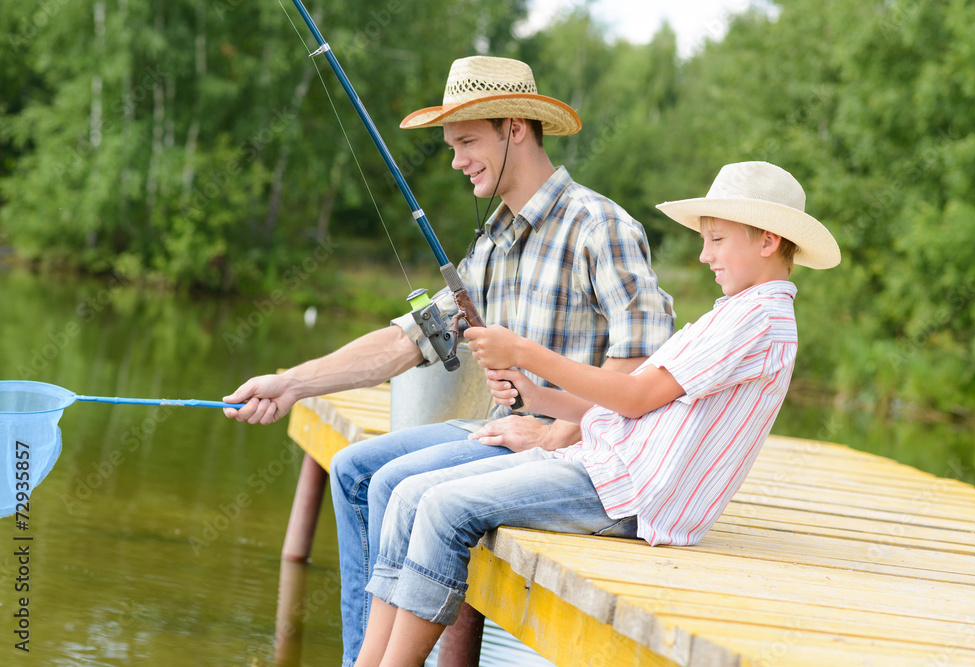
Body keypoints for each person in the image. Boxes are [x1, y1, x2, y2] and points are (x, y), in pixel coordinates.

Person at [223, 55, 674, 666]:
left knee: (389, 483)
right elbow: (409, 340)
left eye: (467, 141)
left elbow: (644, 362)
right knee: (355, 467)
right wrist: (291, 383)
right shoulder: (494, 240)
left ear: (515, 128)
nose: (457, 159)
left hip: (572, 452)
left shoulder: (599, 226)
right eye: (452, 145)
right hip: (499, 431)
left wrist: (559, 433)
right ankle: (367, 654)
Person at [353, 161, 841, 666]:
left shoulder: (760, 320)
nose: (703, 254)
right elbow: (630, 401)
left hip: (630, 495)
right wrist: (536, 399)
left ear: (766, 240)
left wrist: (523, 350)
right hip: (604, 466)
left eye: (716, 240)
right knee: (410, 495)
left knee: (442, 508)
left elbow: (633, 397)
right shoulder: (738, 312)